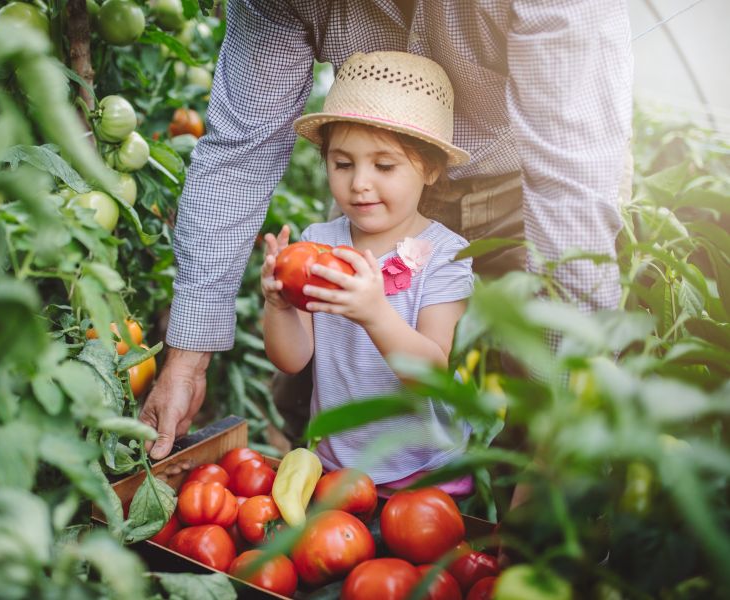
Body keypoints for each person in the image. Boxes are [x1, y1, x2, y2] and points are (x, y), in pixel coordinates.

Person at [139, 0, 633, 459]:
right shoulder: (334, 232)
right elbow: (239, 156)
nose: (357, 183)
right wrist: (189, 357)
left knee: (530, 400)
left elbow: (571, 189)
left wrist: (562, 441)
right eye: (341, 163)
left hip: (519, 194)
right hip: (389, 200)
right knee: (303, 396)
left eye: (374, 165)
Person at [260, 51, 475, 490]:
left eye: (384, 165)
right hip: (337, 465)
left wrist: (375, 312)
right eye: (343, 164)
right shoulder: (318, 243)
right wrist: (279, 305)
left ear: (430, 168)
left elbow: (432, 374)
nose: (359, 182)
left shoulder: (445, 255)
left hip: (424, 472)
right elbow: (291, 358)